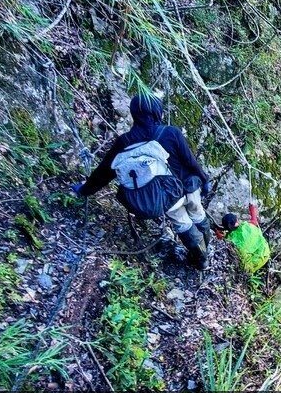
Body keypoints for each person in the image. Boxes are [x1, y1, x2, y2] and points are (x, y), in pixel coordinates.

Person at [71, 92, 212, 269]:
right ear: (157, 112)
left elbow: (104, 173)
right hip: (188, 187)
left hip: (166, 197)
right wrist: (204, 180)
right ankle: (207, 251)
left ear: (134, 114)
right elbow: (190, 162)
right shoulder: (171, 133)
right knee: (198, 215)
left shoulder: (125, 142)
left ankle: (201, 259)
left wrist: (84, 190)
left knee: (183, 224)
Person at [216, 203, 270, 274]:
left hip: (250, 266)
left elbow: (222, 239)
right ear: (236, 222)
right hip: (265, 252)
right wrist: (252, 210)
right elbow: (254, 220)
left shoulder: (229, 240)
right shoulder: (247, 226)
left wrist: (218, 234)